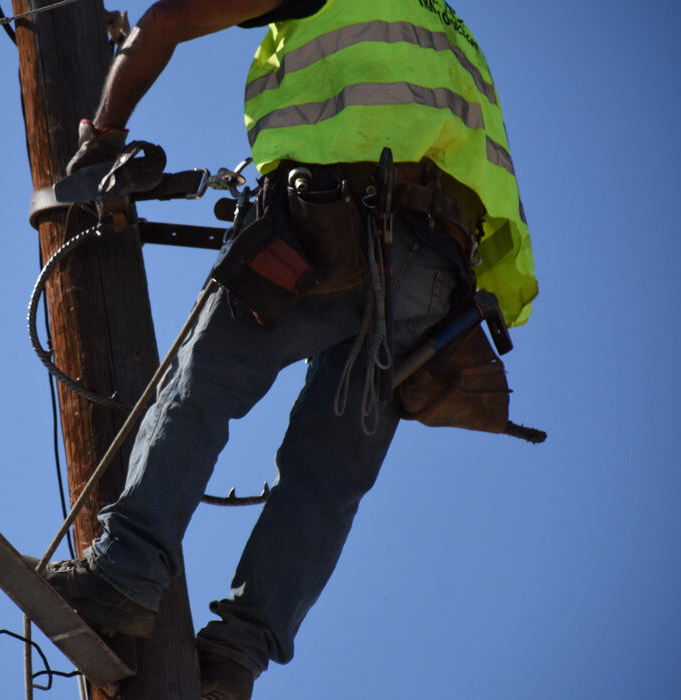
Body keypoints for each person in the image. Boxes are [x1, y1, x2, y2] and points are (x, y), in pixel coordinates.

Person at [40, 1, 537, 698]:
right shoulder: (450, 31)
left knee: (203, 384)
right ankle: (236, 658)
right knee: (328, 477)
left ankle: (125, 574)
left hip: (327, 227)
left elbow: (169, 19)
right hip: (436, 279)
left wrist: (100, 136)